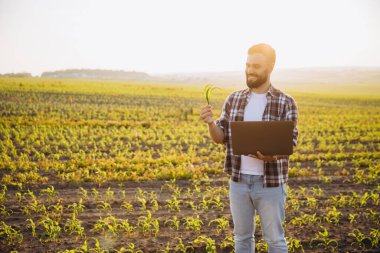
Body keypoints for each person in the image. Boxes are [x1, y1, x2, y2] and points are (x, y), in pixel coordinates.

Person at [200, 43, 299, 253]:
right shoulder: (234, 99)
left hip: (270, 185)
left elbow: (290, 143)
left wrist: (272, 155)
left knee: (275, 241)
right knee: (242, 239)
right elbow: (221, 138)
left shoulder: (285, 102)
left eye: (256, 65)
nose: (250, 70)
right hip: (239, 182)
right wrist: (210, 123)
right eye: (247, 65)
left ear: (270, 67)